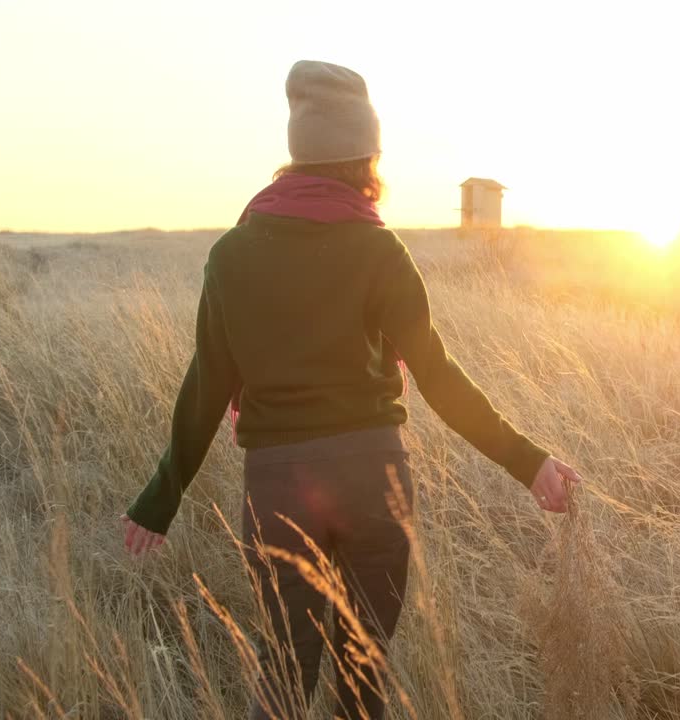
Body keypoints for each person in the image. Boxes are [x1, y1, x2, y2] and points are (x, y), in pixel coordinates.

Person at [120, 59, 581, 720]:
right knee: (361, 679)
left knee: (283, 672)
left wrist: (160, 498)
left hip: (278, 485)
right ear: (367, 157)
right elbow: (440, 378)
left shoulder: (232, 254)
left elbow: (205, 389)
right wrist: (529, 462)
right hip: (375, 478)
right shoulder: (380, 250)